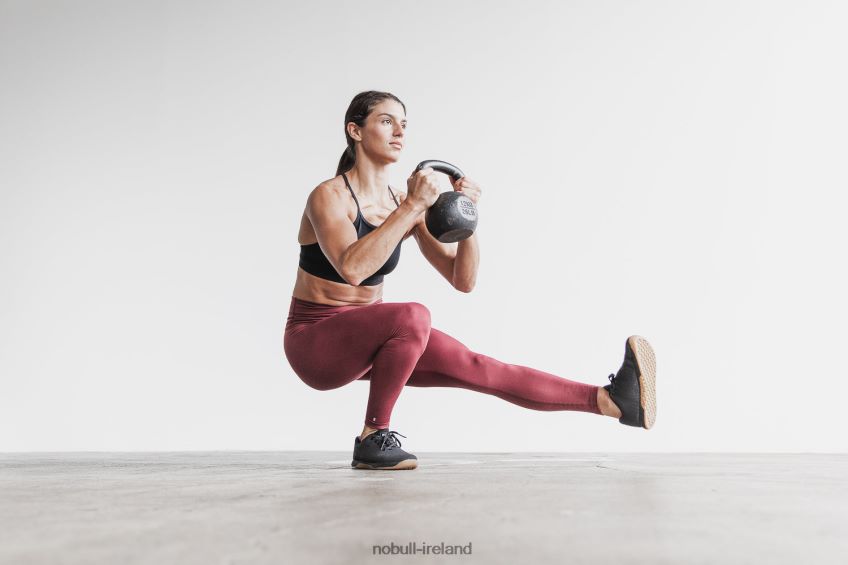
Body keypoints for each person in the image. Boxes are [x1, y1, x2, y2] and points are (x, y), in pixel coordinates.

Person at [283, 90, 657, 471]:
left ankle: (611, 401)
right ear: (355, 131)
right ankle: (373, 437)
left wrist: (467, 217)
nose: (399, 132)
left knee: (478, 366)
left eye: (404, 124)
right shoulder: (329, 197)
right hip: (315, 343)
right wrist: (413, 206)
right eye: (386, 121)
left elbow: (462, 280)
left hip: (374, 336)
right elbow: (353, 268)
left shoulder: (401, 202)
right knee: (414, 316)